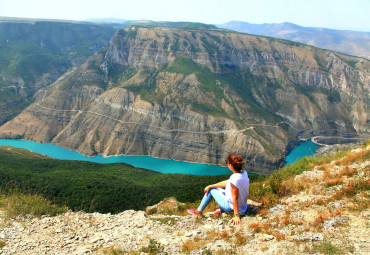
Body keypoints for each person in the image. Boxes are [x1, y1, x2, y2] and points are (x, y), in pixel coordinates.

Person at [188, 153, 249, 225]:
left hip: (232, 208)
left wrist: (236, 215)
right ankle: (222, 211)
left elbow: (235, 198)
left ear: (230, 165)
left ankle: (198, 212)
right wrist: (211, 185)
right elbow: (228, 182)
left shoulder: (234, 179)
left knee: (211, 191)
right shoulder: (244, 173)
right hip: (243, 207)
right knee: (217, 189)